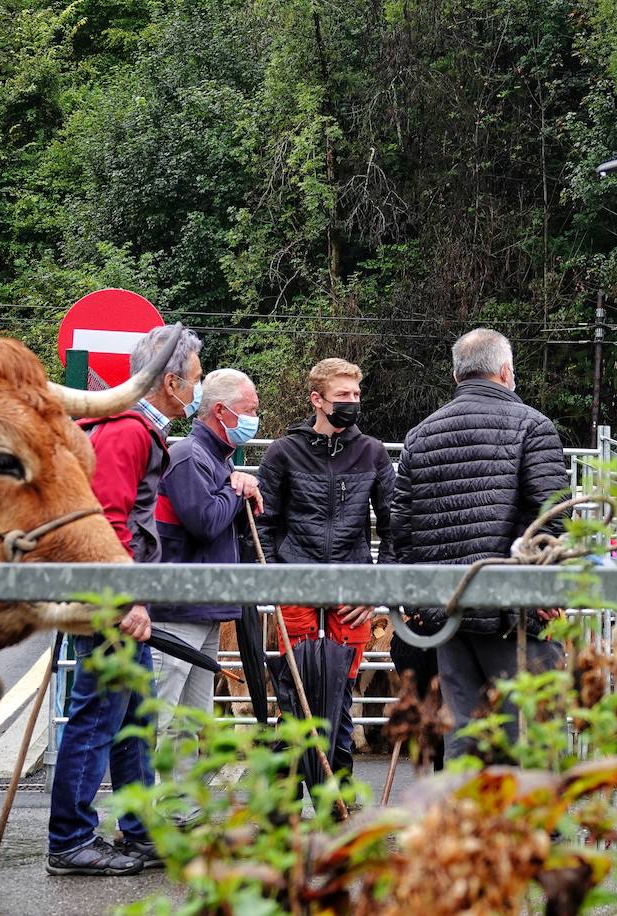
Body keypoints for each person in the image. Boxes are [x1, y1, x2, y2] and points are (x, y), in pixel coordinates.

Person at [47, 323, 202, 877]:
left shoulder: (133, 427)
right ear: (171, 380)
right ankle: (68, 840)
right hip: (110, 599)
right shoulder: (129, 430)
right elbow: (108, 522)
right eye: (196, 379)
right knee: (97, 717)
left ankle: (137, 831)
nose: (198, 390)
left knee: (133, 717)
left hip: (111, 596)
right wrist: (126, 599)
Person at [390, 328, 568, 762]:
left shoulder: (421, 435)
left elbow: (401, 528)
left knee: (463, 738)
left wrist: (410, 602)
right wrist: (542, 591)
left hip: (447, 615)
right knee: (529, 734)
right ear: (506, 372)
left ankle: (464, 827)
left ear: (456, 375)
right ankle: (529, 827)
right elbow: (552, 518)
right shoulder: (532, 426)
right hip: (515, 617)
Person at [255, 358, 395, 778]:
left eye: (355, 394)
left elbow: (393, 524)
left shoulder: (371, 452)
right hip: (296, 581)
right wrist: (274, 580)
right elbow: (263, 522)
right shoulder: (283, 452)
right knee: (294, 694)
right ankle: (285, 800)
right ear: (317, 400)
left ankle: (338, 792)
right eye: (342, 396)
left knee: (341, 691)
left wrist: (374, 588)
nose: (352, 402)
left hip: (350, 585)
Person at [150, 368, 262, 816]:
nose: (256, 418)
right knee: (162, 714)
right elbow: (205, 520)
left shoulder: (217, 459)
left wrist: (237, 483)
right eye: (250, 410)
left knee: (190, 716)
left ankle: (179, 807)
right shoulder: (189, 456)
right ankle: (151, 814)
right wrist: (238, 490)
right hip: (177, 606)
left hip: (204, 606)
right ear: (222, 411)